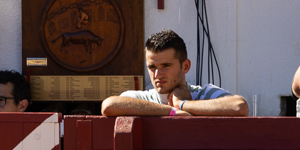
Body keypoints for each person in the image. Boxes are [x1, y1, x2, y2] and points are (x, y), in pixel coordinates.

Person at [101, 30, 247, 117]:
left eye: (165, 65)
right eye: (152, 67)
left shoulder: (203, 94)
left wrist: (183, 104)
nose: (157, 74)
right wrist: (172, 111)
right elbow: (109, 105)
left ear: (185, 66)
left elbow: (239, 106)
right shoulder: (141, 98)